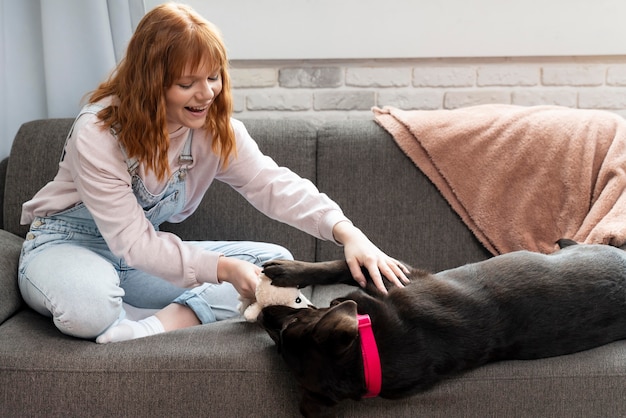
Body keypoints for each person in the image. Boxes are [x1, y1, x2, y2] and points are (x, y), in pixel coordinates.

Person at [17, 3, 408, 344]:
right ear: (151, 83)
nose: (206, 94)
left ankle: (149, 327)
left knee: (279, 267)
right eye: (187, 83)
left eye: (213, 77)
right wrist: (221, 269)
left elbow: (273, 186)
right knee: (89, 308)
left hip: (138, 262)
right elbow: (132, 241)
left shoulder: (215, 132)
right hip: (65, 245)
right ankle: (116, 309)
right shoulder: (98, 134)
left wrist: (349, 233)